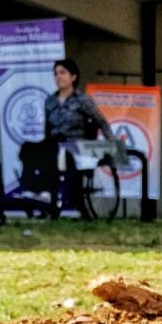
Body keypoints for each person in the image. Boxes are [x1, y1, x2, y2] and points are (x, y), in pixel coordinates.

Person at [44, 58, 114, 215]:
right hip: (55, 144)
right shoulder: (49, 101)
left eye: (63, 73)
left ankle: (77, 204)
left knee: (68, 161)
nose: (59, 77)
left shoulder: (82, 100)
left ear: (73, 77)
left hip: (77, 146)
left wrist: (111, 141)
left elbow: (101, 121)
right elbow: (47, 128)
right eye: (56, 74)